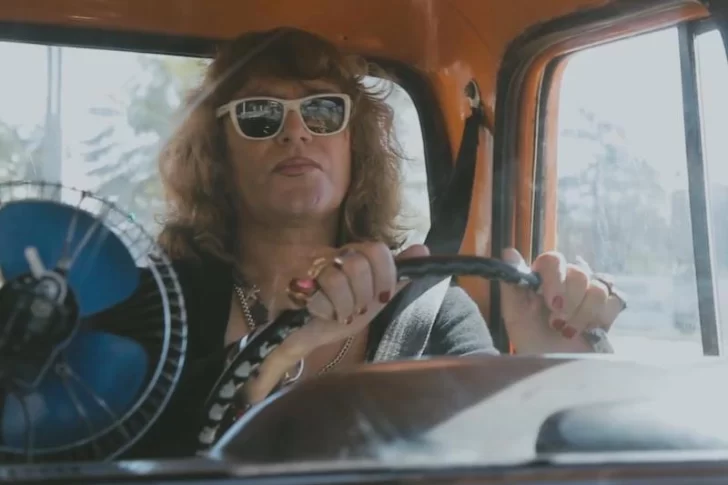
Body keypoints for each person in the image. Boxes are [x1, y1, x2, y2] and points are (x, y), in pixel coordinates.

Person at [129, 26, 626, 457]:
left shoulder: (430, 311)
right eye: (260, 114)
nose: (296, 132)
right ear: (217, 151)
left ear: (354, 142)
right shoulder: (159, 304)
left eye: (323, 111)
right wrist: (277, 355)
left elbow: (492, 456)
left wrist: (557, 375)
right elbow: (122, 457)